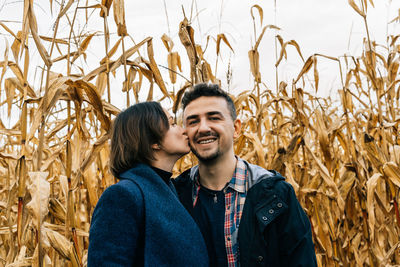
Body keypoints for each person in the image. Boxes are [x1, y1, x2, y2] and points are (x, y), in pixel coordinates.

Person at [173, 83, 317, 267]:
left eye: (214, 118)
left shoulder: (276, 194)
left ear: (236, 128)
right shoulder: (175, 195)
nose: (202, 128)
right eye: (193, 121)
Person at [88, 101, 209, 266]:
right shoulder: (122, 196)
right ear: (153, 141)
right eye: (172, 124)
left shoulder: (173, 191)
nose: (184, 130)